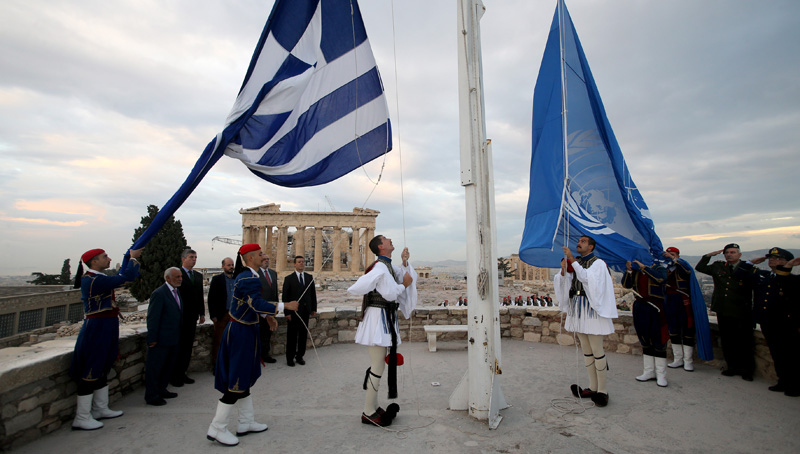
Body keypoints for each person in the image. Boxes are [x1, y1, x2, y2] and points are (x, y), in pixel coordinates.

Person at [207, 244, 299, 446]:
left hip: (246, 330)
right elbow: (255, 303)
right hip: (240, 334)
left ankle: (246, 421)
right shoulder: (248, 277)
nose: (264, 256)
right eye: (260, 254)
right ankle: (217, 427)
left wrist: (267, 317)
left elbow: (250, 302)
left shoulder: (249, 276)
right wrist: (285, 306)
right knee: (237, 380)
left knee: (245, 378)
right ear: (249, 258)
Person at [348, 235, 416, 427]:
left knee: (378, 364)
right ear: (381, 246)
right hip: (378, 321)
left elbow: (401, 273)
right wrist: (405, 285)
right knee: (377, 365)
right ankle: (368, 411)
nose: (390, 239)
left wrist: (404, 262)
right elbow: (390, 292)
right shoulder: (380, 267)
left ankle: (374, 406)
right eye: (387, 239)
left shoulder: (385, 265)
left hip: (383, 318)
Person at [70, 247, 141, 430]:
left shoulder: (97, 279)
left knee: (103, 365)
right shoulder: (93, 280)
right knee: (92, 368)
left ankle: (100, 408)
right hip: (97, 328)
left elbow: (119, 276)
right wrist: (132, 259)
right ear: (94, 262)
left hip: (106, 326)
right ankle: (82, 416)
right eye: (104, 257)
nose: (108, 259)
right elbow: (125, 277)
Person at [553, 235, 618, 407]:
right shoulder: (578, 264)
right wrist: (563, 270)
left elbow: (588, 279)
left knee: (597, 349)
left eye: (583, 242)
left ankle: (603, 390)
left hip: (592, 309)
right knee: (587, 350)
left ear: (591, 247)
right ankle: (592, 386)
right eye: (579, 241)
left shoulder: (598, 263)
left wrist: (572, 260)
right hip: (578, 308)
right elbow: (566, 282)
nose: (579, 243)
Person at [736, 248, 800, 396]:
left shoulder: (791, 279)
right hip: (767, 321)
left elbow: (785, 283)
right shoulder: (763, 276)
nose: (772, 260)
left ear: (786, 261)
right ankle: (782, 381)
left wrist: (787, 268)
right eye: (771, 257)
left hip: (786, 323)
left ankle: (795, 385)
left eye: (777, 258)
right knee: (777, 353)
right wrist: (750, 262)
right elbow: (739, 275)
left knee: (791, 355)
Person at [695, 243, 755, 381]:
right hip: (723, 309)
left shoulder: (747, 268)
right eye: (727, 252)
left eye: (733, 252)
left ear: (739, 254)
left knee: (744, 342)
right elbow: (700, 267)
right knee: (727, 340)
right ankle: (732, 367)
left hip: (741, 310)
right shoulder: (718, 266)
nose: (729, 254)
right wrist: (709, 256)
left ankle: (747, 370)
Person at [622, 256, 669, 387]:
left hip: (656, 307)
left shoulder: (659, 268)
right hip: (640, 307)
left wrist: (644, 267)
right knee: (645, 339)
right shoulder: (636, 270)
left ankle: (661, 374)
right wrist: (629, 271)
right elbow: (626, 285)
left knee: (659, 339)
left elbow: (661, 279)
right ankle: (648, 371)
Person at [144, 267, 183, 406]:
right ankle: (152, 395)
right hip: (160, 339)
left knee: (167, 367)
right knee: (155, 368)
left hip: (173, 338)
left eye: (180, 276)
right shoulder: (159, 293)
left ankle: (162, 389)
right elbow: (153, 318)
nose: (180, 279)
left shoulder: (176, 292)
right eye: (177, 277)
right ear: (168, 278)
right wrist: (152, 338)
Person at [662, 247, 703, 371]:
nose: (669, 256)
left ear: (677, 255)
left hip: (683, 301)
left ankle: (688, 361)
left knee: (687, 330)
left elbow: (687, 270)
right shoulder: (665, 269)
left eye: (672, 254)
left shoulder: (682, 265)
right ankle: (678, 359)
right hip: (670, 302)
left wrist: (673, 259)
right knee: (673, 330)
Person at [172, 249, 205, 387]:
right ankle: (174, 376)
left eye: (195, 257)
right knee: (177, 347)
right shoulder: (176, 274)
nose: (194, 259)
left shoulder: (197, 275)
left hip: (192, 317)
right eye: (191, 257)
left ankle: (183, 373)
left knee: (187, 346)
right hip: (179, 316)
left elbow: (200, 295)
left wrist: (202, 313)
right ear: (183, 259)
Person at [281, 255, 317, 366]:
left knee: (303, 335)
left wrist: (313, 309)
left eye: (303, 261)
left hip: (305, 311)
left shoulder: (309, 277)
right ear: (295, 264)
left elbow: (312, 294)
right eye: (299, 262)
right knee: (292, 336)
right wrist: (286, 312)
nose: (302, 263)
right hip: (293, 312)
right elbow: (285, 297)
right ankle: (290, 358)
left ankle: (300, 356)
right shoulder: (289, 278)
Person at [208, 257, 235, 370]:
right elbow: (211, 298)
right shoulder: (217, 279)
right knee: (219, 341)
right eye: (228, 265)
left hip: (235, 314)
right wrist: (213, 315)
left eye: (232, 265)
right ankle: (217, 365)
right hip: (221, 314)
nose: (231, 267)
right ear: (223, 266)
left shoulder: (237, 279)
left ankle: (231, 364)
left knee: (233, 341)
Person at [257, 252, 279, 364]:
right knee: (258, 333)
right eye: (264, 259)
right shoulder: (255, 273)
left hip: (270, 309)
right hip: (258, 310)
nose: (266, 261)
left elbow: (275, 291)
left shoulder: (273, 273)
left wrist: (276, 306)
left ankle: (265, 355)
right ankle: (256, 357)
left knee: (267, 333)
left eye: (268, 259)